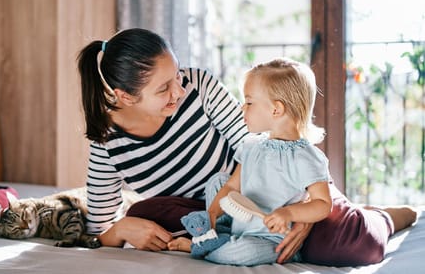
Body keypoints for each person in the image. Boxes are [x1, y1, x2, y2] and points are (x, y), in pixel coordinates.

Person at [77, 28, 417, 265]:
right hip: (206, 212)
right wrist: (121, 228)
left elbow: (266, 145)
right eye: (164, 88)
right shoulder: (108, 146)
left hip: (276, 188)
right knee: (141, 215)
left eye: (177, 76)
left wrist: (302, 214)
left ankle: (382, 217)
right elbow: (98, 233)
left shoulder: (199, 87)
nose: (179, 91)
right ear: (124, 96)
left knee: (353, 245)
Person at [167, 57, 333, 266]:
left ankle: (202, 245)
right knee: (217, 181)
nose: (242, 109)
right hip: (239, 223)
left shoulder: (306, 157)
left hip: (269, 239)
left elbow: (323, 204)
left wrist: (288, 213)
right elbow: (231, 186)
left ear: (276, 109)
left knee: (240, 253)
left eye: (249, 102)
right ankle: (216, 235)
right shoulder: (251, 145)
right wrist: (211, 215)